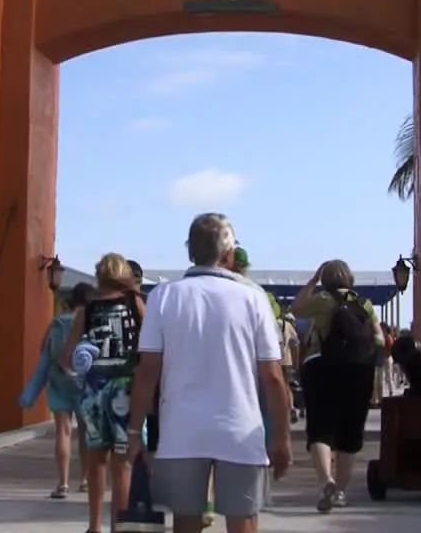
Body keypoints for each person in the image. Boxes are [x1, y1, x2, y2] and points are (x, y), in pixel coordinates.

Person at [127, 213, 293, 533]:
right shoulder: (254, 299)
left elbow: (147, 372)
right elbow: (273, 377)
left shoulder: (163, 296)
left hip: (181, 432)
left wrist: (135, 433)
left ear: (191, 251)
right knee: (243, 521)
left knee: (186, 522)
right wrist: (281, 438)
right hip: (240, 432)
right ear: (229, 255)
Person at [60, 253, 145, 533]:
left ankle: (94, 526)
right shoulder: (135, 305)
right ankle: (118, 527)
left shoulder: (87, 311)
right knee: (122, 465)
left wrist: (85, 359)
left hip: (94, 390)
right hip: (127, 390)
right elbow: (150, 350)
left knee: (97, 460)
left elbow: (66, 357)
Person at [291, 259, 384, 513]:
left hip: (322, 367)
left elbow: (295, 309)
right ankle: (341, 491)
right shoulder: (362, 304)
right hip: (358, 370)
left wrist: (311, 282)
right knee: (350, 431)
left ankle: (325, 482)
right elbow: (379, 338)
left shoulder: (321, 300)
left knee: (320, 428)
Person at [19, 282, 92, 498]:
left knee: (63, 432)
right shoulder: (91, 322)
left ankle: (63, 484)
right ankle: (86, 480)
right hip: (84, 384)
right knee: (86, 433)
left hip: (59, 382)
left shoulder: (58, 322)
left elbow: (44, 348)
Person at [280, 313, 300, 422]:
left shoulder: (269, 323)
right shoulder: (287, 325)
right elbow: (295, 345)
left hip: (271, 360)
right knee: (286, 386)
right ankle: (291, 407)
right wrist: (296, 365)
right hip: (286, 361)